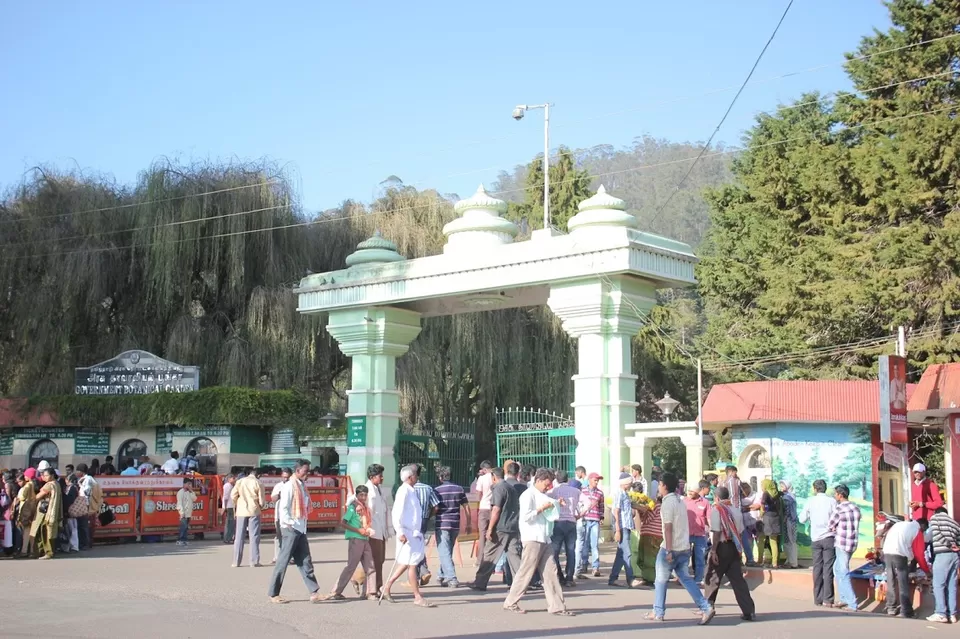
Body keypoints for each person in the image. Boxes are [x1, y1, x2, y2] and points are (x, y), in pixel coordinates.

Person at [646, 472, 715, 625]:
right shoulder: (680, 501)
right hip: (683, 546)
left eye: (659, 484)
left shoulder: (668, 503)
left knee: (661, 580)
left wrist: (669, 550)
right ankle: (705, 607)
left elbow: (668, 528)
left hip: (671, 547)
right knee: (685, 578)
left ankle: (658, 611)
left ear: (664, 485)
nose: (658, 487)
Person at [503, 468, 572, 616]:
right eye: (546, 484)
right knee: (526, 571)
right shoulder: (528, 495)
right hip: (532, 538)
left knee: (551, 572)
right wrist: (542, 508)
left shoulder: (541, 495)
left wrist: (555, 504)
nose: (548, 487)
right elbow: (526, 517)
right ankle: (510, 602)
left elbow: (549, 509)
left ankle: (557, 606)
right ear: (538, 480)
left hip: (544, 538)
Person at [268, 460, 322, 604]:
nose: (308, 474)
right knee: (283, 561)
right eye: (305, 471)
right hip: (291, 528)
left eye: (308, 471)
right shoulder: (289, 486)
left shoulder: (302, 485)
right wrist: (290, 524)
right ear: (297, 471)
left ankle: (314, 592)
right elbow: (283, 508)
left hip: (300, 527)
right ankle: (274, 593)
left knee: (305, 560)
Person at [381, 464, 434, 607]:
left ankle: (387, 586)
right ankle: (417, 596)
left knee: (406, 563)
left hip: (414, 533)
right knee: (412, 564)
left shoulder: (411, 490)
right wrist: (400, 532)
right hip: (407, 533)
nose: (417, 477)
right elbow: (396, 512)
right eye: (415, 475)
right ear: (410, 477)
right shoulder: (403, 491)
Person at [704, 486, 755, 621]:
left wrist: (713, 550)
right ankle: (749, 611)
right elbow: (741, 531)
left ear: (717, 498)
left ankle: (707, 607)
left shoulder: (717, 510)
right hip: (734, 547)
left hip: (721, 546)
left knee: (712, 577)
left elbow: (716, 531)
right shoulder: (736, 511)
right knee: (738, 580)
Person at [318, 484, 377, 601]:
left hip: (365, 538)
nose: (363, 497)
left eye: (365, 495)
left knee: (371, 567)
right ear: (357, 495)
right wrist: (358, 530)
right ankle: (336, 591)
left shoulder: (364, 507)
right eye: (361, 495)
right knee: (351, 566)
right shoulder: (353, 507)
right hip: (356, 538)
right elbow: (343, 522)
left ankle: (370, 592)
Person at [468, 467, 522, 590]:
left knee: (489, 555)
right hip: (512, 527)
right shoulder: (511, 488)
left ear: (494, 477)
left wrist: (490, 528)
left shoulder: (498, 488)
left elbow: (496, 509)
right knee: (514, 557)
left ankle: (480, 582)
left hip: (501, 528)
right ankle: (521, 584)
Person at [357, 463, 393, 597]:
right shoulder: (366, 490)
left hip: (381, 530)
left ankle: (358, 578)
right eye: (380, 476)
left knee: (380, 560)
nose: (382, 478)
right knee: (374, 561)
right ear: (372, 477)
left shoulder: (379, 489)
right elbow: (358, 505)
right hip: (372, 531)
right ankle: (373, 589)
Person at [882, 517, 930, 618]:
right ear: (923, 526)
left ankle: (891, 607)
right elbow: (919, 555)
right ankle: (906, 611)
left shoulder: (899, 524)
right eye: (924, 530)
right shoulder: (917, 530)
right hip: (900, 554)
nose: (924, 532)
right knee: (903, 582)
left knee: (890, 580)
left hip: (887, 552)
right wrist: (927, 571)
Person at [800, 479, 837, 607]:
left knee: (817, 568)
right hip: (829, 537)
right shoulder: (832, 501)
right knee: (828, 568)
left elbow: (802, 518)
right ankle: (828, 599)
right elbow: (836, 517)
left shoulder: (810, 501)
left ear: (815, 489)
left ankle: (817, 598)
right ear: (825, 489)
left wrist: (812, 517)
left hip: (815, 538)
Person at [434, 465, 471, 588]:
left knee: (444, 551)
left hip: (442, 524)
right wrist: (469, 523)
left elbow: (435, 508)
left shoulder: (437, 490)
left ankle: (452, 578)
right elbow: (466, 507)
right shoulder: (459, 489)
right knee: (447, 551)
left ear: (440, 477)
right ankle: (440, 575)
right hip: (455, 524)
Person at [827, 483, 862, 611]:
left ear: (840, 495)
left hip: (842, 543)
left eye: (836, 493)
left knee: (843, 571)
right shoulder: (855, 507)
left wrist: (835, 528)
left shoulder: (839, 508)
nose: (835, 495)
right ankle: (843, 598)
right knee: (837, 569)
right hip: (852, 543)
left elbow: (831, 525)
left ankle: (852, 603)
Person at [926, 506, 960, 623]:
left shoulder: (935, 518)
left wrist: (948, 545)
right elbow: (959, 539)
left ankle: (941, 613)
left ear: (936, 512)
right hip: (955, 556)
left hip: (942, 554)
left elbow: (937, 535)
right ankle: (952, 614)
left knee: (938, 584)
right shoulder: (955, 523)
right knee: (952, 585)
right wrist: (956, 546)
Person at [548, 469, 581, 587]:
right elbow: (587, 503)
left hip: (558, 523)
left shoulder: (553, 491)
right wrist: (579, 515)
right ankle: (569, 578)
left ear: (556, 480)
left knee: (555, 552)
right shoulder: (576, 491)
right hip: (571, 522)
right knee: (570, 551)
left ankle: (559, 576)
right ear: (568, 479)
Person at [608, 473, 639, 588]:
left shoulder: (625, 494)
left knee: (621, 554)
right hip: (622, 526)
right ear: (625, 483)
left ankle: (613, 578)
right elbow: (616, 511)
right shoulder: (619, 493)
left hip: (627, 525)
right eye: (630, 482)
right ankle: (630, 579)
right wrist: (617, 529)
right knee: (627, 553)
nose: (631, 484)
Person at [232, 467, 265, 567]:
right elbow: (262, 501)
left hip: (241, 511)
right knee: (254, 536)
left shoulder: (240, 481)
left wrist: (237, 504)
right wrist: (261, 506)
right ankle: (254, 561)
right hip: (254, 510)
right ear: (258, 475)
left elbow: (233, 495)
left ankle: (236, 562)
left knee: (239, 536)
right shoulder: (258, 483)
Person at [413, 466, 440, 586]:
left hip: (411, 522)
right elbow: (436, 506)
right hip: (423, 520)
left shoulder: (408, 488)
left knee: (413, 548)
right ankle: (419, 574)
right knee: (418, 546)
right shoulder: (428, 488)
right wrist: (428, 516)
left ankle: (421, 572)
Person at [31, 467, 62, 559]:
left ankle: (48, 552)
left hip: (47, 512)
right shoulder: (57, 484)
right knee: (50, 532)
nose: (43, 477)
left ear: (52, 475)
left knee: (45, 532)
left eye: (45, 475)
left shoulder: (49, 485)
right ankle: (45, 551)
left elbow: (38, 497)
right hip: (54, 511)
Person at [578, 472, 604, 578]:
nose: (596, 482)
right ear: (589, 480)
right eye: (595, 480)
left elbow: (602, 506)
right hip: (585, 519)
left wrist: (602, 517)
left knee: (594, 545)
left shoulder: (600, 493)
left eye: (598, 480)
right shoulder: (582, 491)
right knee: (585, 543)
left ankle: (595, 566)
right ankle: (584, 564)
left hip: (595, 520)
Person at [686, 479, 712, 584]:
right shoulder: (684, 501)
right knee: (684, 558)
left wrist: (712, 532)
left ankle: (698, 579)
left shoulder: (705, 503)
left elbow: (709, 518)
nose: (690, 493)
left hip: (700, 534)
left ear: (697, 491)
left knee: (700, 558)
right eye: (689, 491)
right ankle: (684, 577)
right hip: (686, 534)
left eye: (692, 491)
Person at [757, 479, 783, 568]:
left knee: (761, 539)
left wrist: (762, 512)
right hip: (776, 518)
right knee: (773, 541)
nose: (761, 487)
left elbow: (763, 503)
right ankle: (775, 562)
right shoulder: (777, 493)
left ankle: (760, 560)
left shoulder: (766, 493)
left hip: (767, 518)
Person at [270, 468, 291, 566]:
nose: (285, 479)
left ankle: (290, 558)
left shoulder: (293, 486)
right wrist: (280, 494)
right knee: (279, 536)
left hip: (291, 516)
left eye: (287, 477)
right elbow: (273, 498)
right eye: (284, 477)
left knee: (290, 537)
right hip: (279, 516)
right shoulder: (278, 486)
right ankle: (277, 557)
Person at [475, 461, 494, 563]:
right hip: (494, 508)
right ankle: (491, 557)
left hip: (483, 507)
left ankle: (480, 559)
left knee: (482, 534)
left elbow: (478, 494)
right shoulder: (496, 477)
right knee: (493, 533)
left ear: (484, 469)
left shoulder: (481, 479)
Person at [15, 471, 37, 556]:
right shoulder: (34, 484)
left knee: (26, 532)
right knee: (31, 532)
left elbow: (22, 497)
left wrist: (18, 497)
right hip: (32, 509)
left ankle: (24, 551)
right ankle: (31, 550)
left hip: (25, 510)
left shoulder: (28, 486)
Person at [779, 480, 799, 569]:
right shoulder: (792, 496)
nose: (781, 488)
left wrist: (784, 519)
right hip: (792, 522)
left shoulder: (787, 497)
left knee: (790, 542)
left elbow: (787, 512)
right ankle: (791, 560)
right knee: (790, 542)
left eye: (783, 486)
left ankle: (793, 562)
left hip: (789, 522)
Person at [175, 478, 196, 546]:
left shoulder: (190, 492)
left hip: (189, 513)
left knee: (186, 527)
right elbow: (179, 503)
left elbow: (194, 499)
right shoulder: (180, 492)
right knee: (183, 527)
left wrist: (191, 491)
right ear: (184, 484)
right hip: (183, 513)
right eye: (188, 484)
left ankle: (185, 539)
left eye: (190, 484)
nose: (189, 485)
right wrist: (181, 512)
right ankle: (180, 540)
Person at [221, 474, 236, 545]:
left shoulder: (231, 486)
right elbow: (226, 497)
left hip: (231, 506)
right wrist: (225, 507)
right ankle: (227, 538)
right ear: (229, 479)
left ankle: (230, 537)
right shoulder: (227, 486)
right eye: (233, 478)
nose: (234, 479)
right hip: (229, 507)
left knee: (231, 523)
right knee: (229, 523)